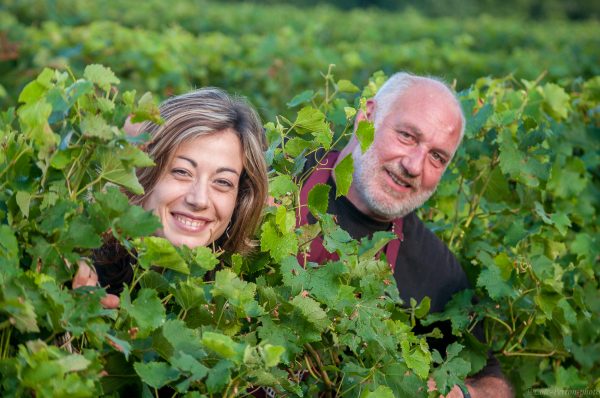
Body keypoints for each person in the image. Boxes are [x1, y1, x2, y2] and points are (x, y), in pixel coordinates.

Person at [297, 72, 513, 398]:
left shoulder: (436, 271)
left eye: (437, 157)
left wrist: (451, 393)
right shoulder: (277, 178)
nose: (414, 166)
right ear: (366, 117)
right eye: (407, 136)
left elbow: (491, 381)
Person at [73, 88, 269, 307]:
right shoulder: (84, 268)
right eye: (182, 172)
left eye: (222, 182)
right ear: (141, 174)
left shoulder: (235, 295)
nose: (199, 200)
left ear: (239, 198)